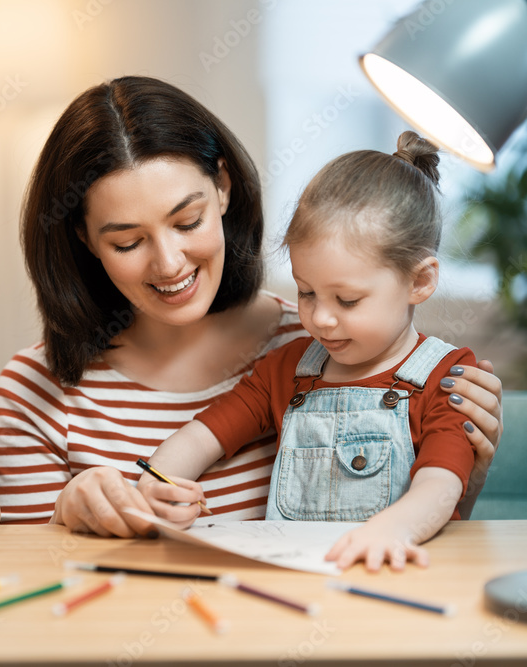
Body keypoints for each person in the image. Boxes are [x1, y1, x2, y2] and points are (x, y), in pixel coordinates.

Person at [0, 76, 503, 538]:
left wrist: (466, 478)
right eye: (127, 242)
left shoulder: (301, 342)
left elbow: (435, 507)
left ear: (224, 187)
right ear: (85, 239)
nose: (168, 264)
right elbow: (26, 597)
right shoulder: (35, 390)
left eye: (187, 222)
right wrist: (76, 513)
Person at [139, 132, 474, 571]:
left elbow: (442, 480)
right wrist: (158, 482)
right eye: (306, 292)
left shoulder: (448, 375)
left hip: (394, 574)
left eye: (348, 300)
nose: (321, 319)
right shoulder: (286, 368)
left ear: (419, 282)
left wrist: (395, 528)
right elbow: (204, 435)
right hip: (294, 579)